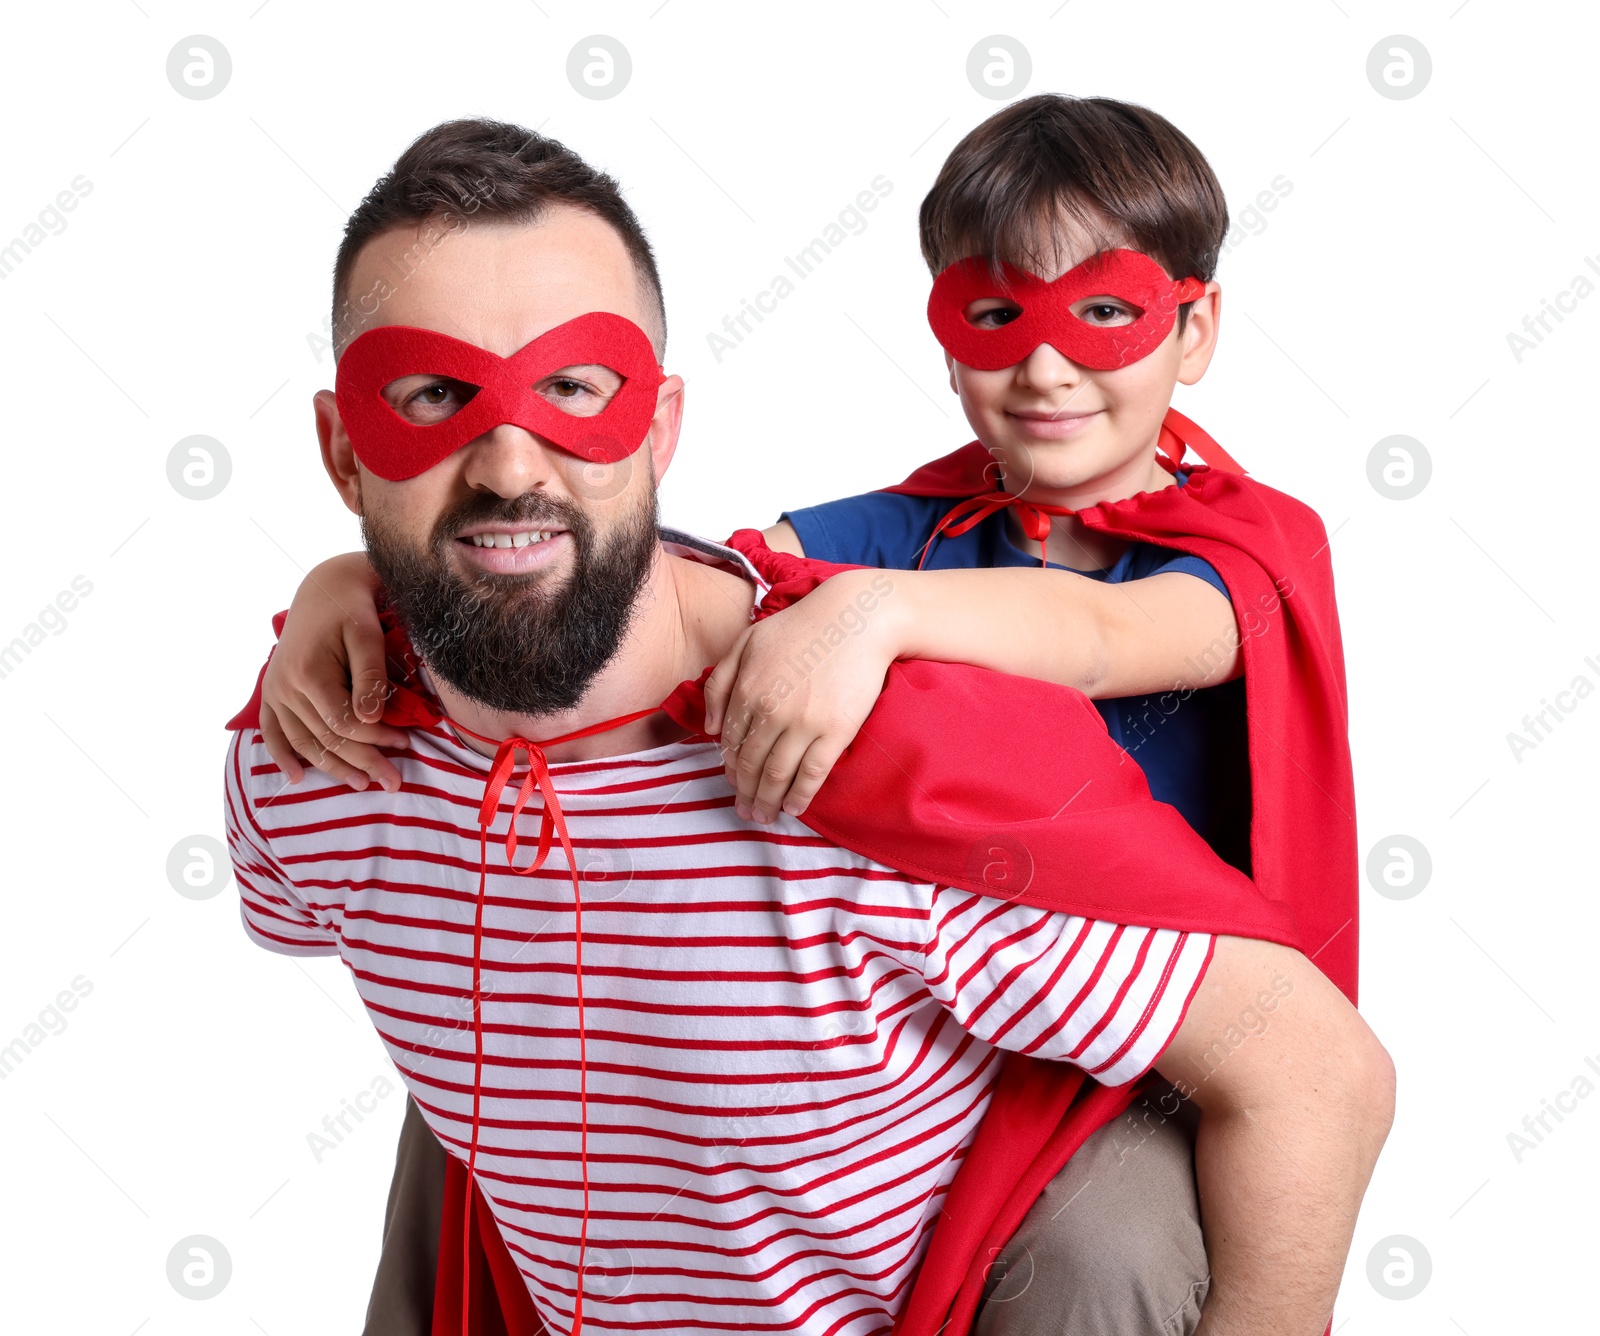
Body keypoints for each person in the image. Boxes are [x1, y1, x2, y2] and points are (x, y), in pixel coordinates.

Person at [225, 118, 1391, 1336]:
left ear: (1194, 328)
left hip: (1146, 1036)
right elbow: (679, 575)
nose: (1046, 369)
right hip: (900, 1024)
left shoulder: (1244, 551)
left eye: (1104, 315)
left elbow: (1110, 638)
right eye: (996, 319)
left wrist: (875, 613)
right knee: (492, 1057)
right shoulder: (904, 525)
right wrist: (343, 583)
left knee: (1101, 1255)